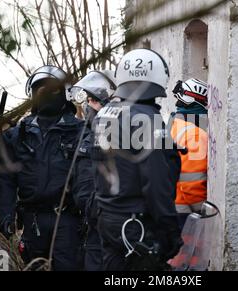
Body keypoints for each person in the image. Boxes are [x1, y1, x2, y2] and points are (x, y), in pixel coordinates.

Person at [92, 49, 183, 271]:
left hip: (108, 219)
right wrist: (171, 231)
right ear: (157, 78)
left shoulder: (104, 114)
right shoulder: (148, 119)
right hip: (136, 225)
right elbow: (157, 183)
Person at [0, 65, 93, 271]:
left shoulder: (80, 131)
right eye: (41, 91)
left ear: (65, 95)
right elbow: (6, 179)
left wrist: (88, 215)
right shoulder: (18, 135)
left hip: (68, 221)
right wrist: (6, 215)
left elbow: (89, 178)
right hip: (32, 222)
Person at [69, 70, 116, 271]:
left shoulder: (132, 131)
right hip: (96, 227)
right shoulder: (87, 138)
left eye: (93, 101)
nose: (89, 106)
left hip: (126, 228)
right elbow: (83, 188)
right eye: (88, 101)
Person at [170, 78, 209, 229]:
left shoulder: (172, 124)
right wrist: (202, 213)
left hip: (167, 206)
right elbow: (191, 185)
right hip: (184, 213)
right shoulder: (195, 135)